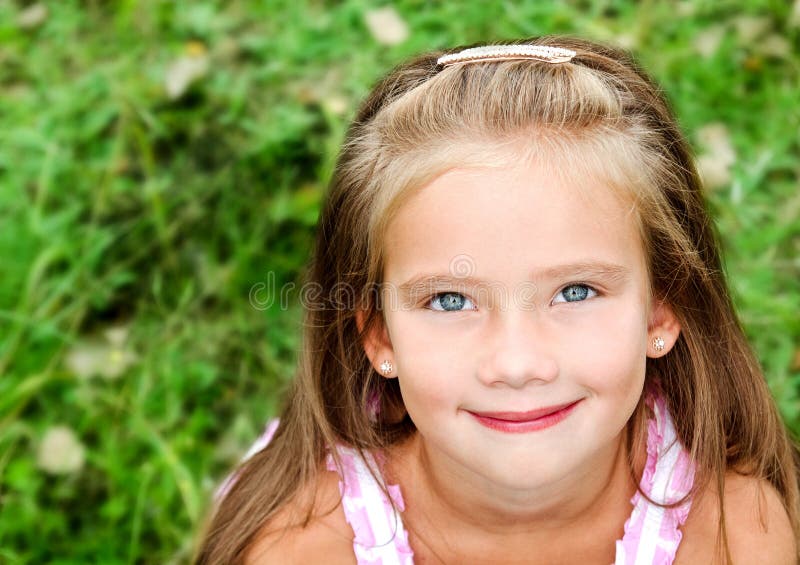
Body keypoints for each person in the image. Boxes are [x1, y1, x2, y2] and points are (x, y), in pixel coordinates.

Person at [194, 36, 800, 564]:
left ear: (661, 312)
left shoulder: (735, 534)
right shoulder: (302, 545)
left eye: (575, 291)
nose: (516, 364)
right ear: (378, 336)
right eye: (451, 301)